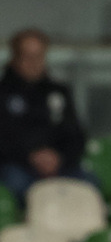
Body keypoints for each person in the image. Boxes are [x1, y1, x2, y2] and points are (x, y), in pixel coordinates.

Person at [0, 28, 91, 203]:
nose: (34, 62)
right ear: (15, 58)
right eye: (28, 56)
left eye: (39, 56)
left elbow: (76, 135)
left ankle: (103, 229)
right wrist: (31, 156)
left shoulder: (59, 92)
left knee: (91, 184)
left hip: (60, 166)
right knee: (16, 184)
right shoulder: (3, 94)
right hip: (18, 166)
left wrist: (59, 157)